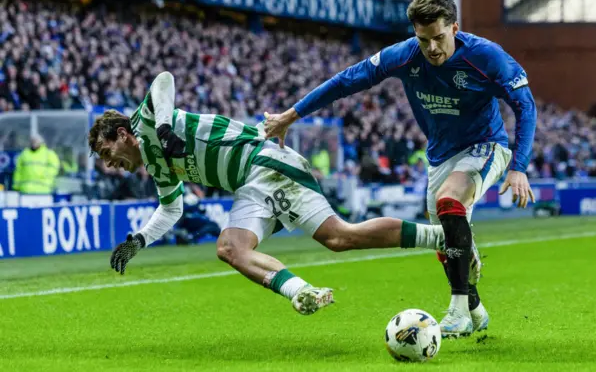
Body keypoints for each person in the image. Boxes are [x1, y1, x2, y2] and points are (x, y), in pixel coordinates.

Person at [263, 0, 537, 337]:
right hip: (439, 156)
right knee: (446, 238)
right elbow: (347, 80)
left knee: (449, 204)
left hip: (485, 145)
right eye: (424, 40)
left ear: (455, 27)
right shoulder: (405, 56)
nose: (433, 48)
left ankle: (456, 311)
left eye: (439, 37)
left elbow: (525, 105)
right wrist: (291, 115)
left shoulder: (486, 57)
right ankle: (475, 309)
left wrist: (518, 165)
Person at [89, 71, 475, 316]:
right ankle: (440, 237)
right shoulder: (156, 165)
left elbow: (164, 79)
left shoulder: (145, 122)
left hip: (263, 162)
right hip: (254, 181)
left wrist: (165, 128)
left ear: (121, 134)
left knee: (255, 244)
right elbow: (171, 209)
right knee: (333, 238)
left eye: (108, 153)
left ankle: (443, 237)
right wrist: (138, 240)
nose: (111, 164)